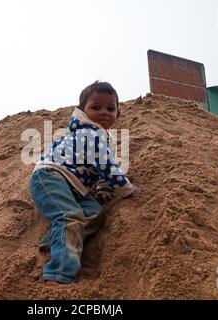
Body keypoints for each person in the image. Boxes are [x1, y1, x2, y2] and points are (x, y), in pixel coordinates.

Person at [30, 80, 142, 284]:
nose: (104, 112)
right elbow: (106, 164)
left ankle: (56, 240)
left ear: (118, 113)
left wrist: (104, 190)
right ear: (82, 110)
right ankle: (59, 274)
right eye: (96, 107)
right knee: (69, 215)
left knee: (95, 212)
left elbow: (101, 171)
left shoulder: (102, 136)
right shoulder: (89, 133)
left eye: (111, 108)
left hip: (74, 187)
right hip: (50, 176)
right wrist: (127, 189)